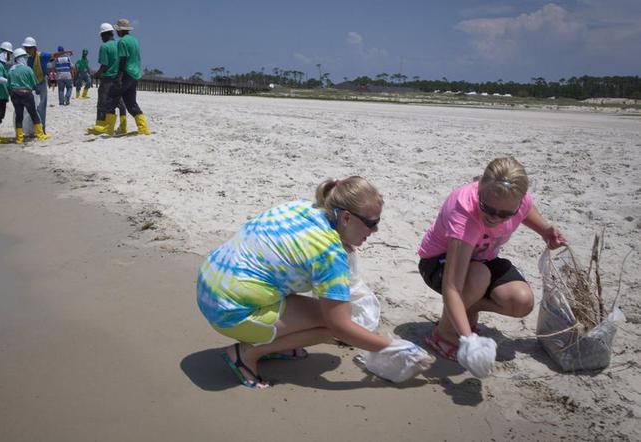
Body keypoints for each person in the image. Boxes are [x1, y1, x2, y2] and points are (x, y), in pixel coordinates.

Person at [197, 176, 416, 389]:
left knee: (327, 312)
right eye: (372, 223)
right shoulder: (328, 253)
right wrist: (393, 347)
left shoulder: (304, 208)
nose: (375, 230)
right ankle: (246, 354)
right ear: (346, 218)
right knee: (336, 324)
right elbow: (339, 326)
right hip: (228, 313)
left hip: (209, 285)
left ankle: (272, 341)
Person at [417, 157, 568, 363]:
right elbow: (452, 286)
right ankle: (444, 334)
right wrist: (469, 341)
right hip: (438, 263)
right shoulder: (464, 213)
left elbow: (526, 210)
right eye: (488, 208)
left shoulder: (519, 201)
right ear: (479, 190)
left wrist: (545, 230)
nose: (495, 218)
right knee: (479, 275)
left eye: (505, 213)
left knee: (521, 302)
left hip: (482, 259)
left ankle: (469, 307)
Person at [20, 36, 71, 136]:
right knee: (30, 107)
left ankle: (41, 129)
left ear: (34, 48)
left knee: (41, 107)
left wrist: (65, 52)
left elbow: (53, 55)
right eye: (26, 48)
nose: (27, 50)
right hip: (30, 84)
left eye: (29, 48)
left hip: (41, 82)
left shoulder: (42, 56)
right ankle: (30, 129)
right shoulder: (26, 58)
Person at [112, 18, 150, 135]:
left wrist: (118, 75)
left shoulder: (122, 42)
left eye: (117, 30)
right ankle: (143, 128)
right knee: (131, 102)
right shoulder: (135, 40)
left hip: (126, 73)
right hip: (135, 74)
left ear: (120, 30)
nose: (116, 32)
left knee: (112, 98)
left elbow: (123, 60)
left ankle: (109, 126)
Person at [8, 48, 50, 143]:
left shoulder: (11, 70)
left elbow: (8, 85)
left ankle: (19, 138)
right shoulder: (28, 69)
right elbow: (34, 84)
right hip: (26, 94)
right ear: (22, 58)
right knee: (33, 114)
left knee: (19, 115)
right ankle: (40, 135)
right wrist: (37, 90)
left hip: (15, 94)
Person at [87, 23, 121, 136]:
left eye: (101, 35)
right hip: (118, 78)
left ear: (105, 34)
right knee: (115, 102)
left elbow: (104, 65)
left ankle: (100, 126)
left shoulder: (104, 46)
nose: (101, 38)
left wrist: (96, 74)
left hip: (107, 79)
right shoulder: (119, 45)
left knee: (102, 103)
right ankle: (111, 127)